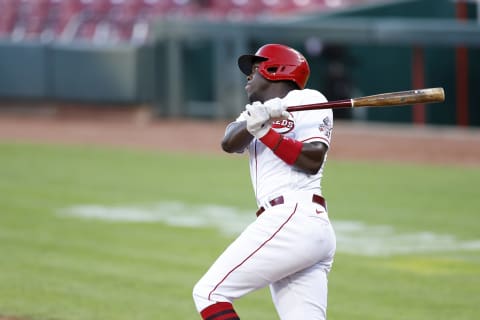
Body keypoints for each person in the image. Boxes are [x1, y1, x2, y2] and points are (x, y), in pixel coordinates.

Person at [193, 43, 336, 320]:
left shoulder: (309, 99)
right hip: (297, 228)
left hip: (294, 217)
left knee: (209, 293)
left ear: (275, 69)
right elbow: (228, 143)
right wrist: (258, 120)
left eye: (254, 69)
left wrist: (266, 132)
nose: (248, 77)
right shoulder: (256, 112)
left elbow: (311, 160)